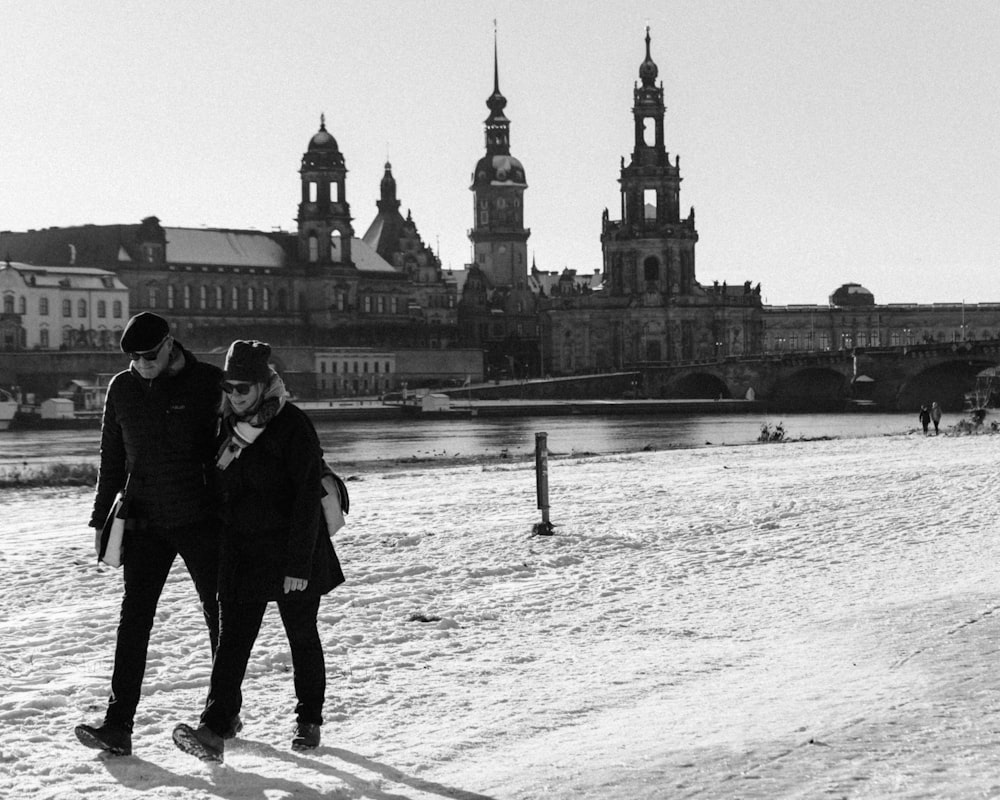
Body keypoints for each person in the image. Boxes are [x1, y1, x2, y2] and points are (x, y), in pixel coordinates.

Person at [173, 340, 344, 763]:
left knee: (301, 637)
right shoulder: (226, 427)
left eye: (243, 388)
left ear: (264, 384)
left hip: (291, 550)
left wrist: (299, 565)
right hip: (243, 551)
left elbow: (307, 499)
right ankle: (214, 730)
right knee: (232, 642)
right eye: (228, 387)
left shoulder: (293, 426)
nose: (234, 395)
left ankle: (309, 720)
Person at [75, 313, 229, 756]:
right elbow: (111, 460)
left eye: (148, 356)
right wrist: (102, 519)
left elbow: (235, 444)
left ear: (169, 345)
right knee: (134, 620)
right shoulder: (121, 389)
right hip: (143, 520)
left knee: (219, 618)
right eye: (132, 357)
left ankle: (219, 719)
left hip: (200, 519)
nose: (140, 364)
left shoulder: (207, 383)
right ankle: (118, 725)